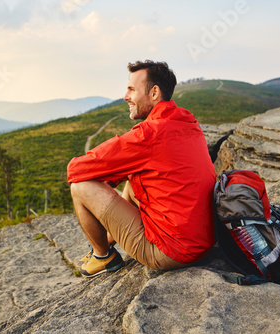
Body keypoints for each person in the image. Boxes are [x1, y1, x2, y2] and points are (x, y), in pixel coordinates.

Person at [67, 60, 215, 277]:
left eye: (132, 90)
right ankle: (109, 237)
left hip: (172, 252)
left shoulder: (149, 134)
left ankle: (103, 256)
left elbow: (76, 170)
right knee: (134, 176)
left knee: (80, 186)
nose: (126, 96)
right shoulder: (187, 121)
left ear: (154, 93)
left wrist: (105, 177)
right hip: (204, 241)